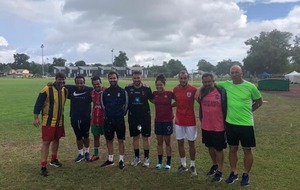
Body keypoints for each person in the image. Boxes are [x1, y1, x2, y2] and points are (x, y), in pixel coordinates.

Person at [216, 65, 263, 186]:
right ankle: (234, 172)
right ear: (230, 74)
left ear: (242, 73)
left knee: (247, 150)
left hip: (246, 124)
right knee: (232, 149)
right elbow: (211, 83)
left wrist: (250, 110)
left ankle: (246, 174)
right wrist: (199, 90)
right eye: (232, 72)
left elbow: (259, 101)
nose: (234, 74)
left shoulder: (250, 86)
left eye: (237, 72)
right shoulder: (226, 84)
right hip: (230, 123)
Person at [33, 72, 67, 177]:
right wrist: (36, 118)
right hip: (48, 121)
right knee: (46, 142)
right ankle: (43, 165)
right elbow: (38, 103)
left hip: (59, 121)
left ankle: (54, 159)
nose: (61, 81)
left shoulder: (65, 90)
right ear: (55, 79)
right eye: (59, 79)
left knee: (57, 139)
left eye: (63, 79)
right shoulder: (47, 89)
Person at [198, 73, 227, 182]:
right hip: (206, 125)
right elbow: (199, 102)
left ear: (214, 81)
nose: (207, 84)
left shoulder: (221, 92)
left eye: (209, 81)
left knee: (218, 149)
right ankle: (214, 165)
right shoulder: (202, 92)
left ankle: (219, 171)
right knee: (210, 146)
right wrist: (198, 89)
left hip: (218, 126)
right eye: (204, 82)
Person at [125, 70, 154, 167]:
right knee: (135, 137)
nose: (136, 80)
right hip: (133, 116)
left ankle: (146, 158)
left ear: (141, 78)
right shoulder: (128, 88)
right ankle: (137, 158)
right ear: (132, 78)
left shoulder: (147, 88)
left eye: (138, 78)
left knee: (145, 137)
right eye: (134, 78)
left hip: (145, 116)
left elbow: (152, 100)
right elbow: (125, 101)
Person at [100, 71, 128, 169]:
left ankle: (121, 160)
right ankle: (110, 159)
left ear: (117, 78)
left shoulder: (123, 92)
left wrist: (119, 114)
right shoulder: (105, 92)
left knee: (121, 140)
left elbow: (126, 106)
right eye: (110, 78)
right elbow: (103, 106)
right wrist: (110, 114)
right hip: (108, 120)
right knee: (109, 139)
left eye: (114, 78)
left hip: (119, 119)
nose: (112, 80)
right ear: (108, 79)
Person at [173, 70, 198, 176]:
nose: (183, 80)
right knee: (180, 143)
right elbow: (177, 101)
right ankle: (183, 164)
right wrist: (167, 106)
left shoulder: (193, 89)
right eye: (181, 78)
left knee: (191, 143)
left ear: (188, 78)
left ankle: (192, 165)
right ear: (179, 78)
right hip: (179, 120)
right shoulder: (175, 89)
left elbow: (201, 99)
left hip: (190, 121)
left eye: (185, 78)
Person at [66, 76, 93, 162]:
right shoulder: (71, 89)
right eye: (77, 82)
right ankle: (80, 154)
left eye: (81, 82)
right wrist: (52, 84)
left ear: (84, 82)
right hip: (74, 117)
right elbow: (61, 85)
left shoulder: (89, 90)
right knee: (78, 136)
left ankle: (87, 152)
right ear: (75, 83)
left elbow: (100, 90)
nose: (79, 84)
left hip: (86, 117)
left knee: (86, 135)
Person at [152, 74, 175, 170]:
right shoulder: (155, 93)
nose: (159, 86)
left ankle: (168, 162)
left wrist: (171, 106)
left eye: (160, 84)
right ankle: (160, 162)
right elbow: (151, 100)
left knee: (167, 142)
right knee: (159, 142)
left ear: (164, 84)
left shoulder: (169, 93)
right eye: (157, 85)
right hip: (158, 121)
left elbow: (178, 100)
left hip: (167, 121)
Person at [89, 76, 106, 161]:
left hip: (105, 120)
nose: (96, 86)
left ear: (101, 83)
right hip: (95, 119)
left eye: (98, 84)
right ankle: (96, 154)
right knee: (96, 137)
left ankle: (110, 156)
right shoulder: (91, 92)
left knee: (108, 138)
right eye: (94, 84)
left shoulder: (106, 91)